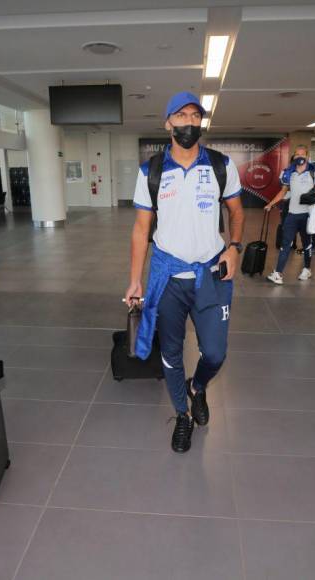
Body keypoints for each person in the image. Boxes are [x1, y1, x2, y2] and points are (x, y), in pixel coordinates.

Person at [125, 92, 244, 453]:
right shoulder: (153, 170)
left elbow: (237, 213)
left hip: (212, 273)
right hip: (168, 277)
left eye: (195, 116)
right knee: (171, 354)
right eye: (181, 115)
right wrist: (135, 279)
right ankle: (182, 415)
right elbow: (141, 230)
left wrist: (234, 247)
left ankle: (198, 387)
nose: (189, 122)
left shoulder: (222, 165)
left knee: (215, 354)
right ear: (168, 123)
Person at [264, 145, 315, 284]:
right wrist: (270, 204)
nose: (300, 157)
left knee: (307, 243)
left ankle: (307, 269)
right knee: (285, 244)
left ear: (307, 156)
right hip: (292, 214)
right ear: (294, 156)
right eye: (297, 155)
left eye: (302, 154)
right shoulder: (288, 172)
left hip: (308, 215)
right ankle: (278, 273)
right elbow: (283, 191)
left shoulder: (314, 170)